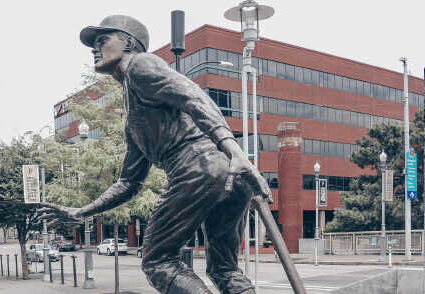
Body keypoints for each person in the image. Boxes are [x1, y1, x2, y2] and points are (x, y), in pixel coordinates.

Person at [35, 15, 277, 294]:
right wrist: (84, 210)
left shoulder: (141, 65)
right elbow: (129, 183)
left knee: (158, 261)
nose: (94, 48)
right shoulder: (133, 118)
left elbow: (193, 96)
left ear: (128, 43)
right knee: (224, 268)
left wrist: (234, 149)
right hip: (227, 175)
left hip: (200, 168)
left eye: (103, 40)